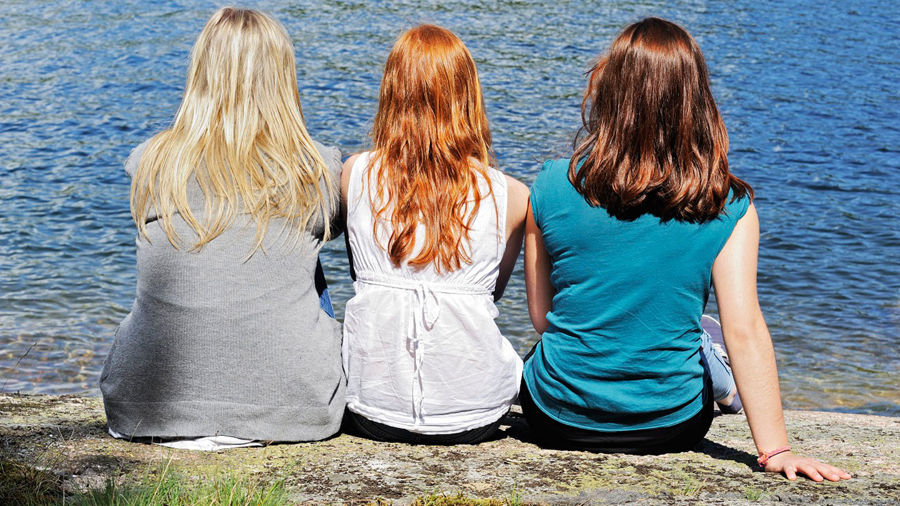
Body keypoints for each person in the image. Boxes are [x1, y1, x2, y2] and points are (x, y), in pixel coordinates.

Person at [522, 18, 851, 481]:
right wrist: (775, 450)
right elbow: (744, 330)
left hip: (557, 417)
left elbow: (543, 318)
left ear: (610, 90)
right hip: (670, 424)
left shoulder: (552, 184)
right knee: (707, 334)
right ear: (695, 100)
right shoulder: (727, 203)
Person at [100, 7, 345, 449]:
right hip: (297, 412)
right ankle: (267, 378)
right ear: (281, 80)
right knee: (305, 261)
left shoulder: (149, 162)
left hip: (143, 410)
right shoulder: (317, 168)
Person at [340, 25, 528, 444]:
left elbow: (358, 276)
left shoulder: (354, 175)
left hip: (372, 409)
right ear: (468, 97)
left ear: (392, 93)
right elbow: (491, 295)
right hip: (477, 412)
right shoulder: (513, 196)